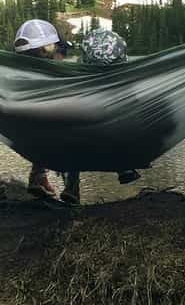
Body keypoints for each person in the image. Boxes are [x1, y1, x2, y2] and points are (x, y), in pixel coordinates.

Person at [57, 27, 139, 205]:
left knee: (68, 134)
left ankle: (71, 187)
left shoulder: (77, 78)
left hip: (81, 136)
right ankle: (124, 167)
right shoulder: (122, 81)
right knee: (119, 125)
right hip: (108, 135)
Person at [12, 19, 72, 200]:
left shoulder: (25, 71)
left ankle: (39, 179)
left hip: (36, 122)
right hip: (50, 120)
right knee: (71, 132)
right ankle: (71, 188)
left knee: (48, 133)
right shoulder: (43, 71)